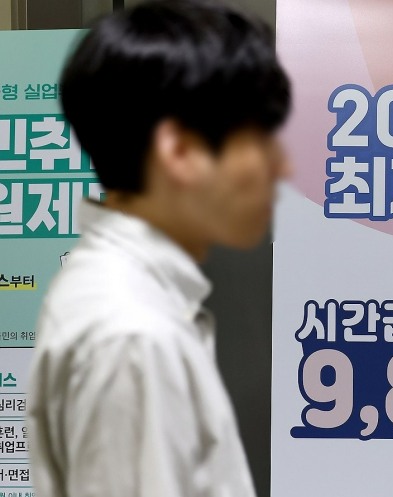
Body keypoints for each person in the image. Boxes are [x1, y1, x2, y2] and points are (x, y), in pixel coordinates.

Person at [26, 1, 290, 497]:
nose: (281, 167)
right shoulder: (134, 334)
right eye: (258, 139)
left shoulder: (127, 299)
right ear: (179, 152)